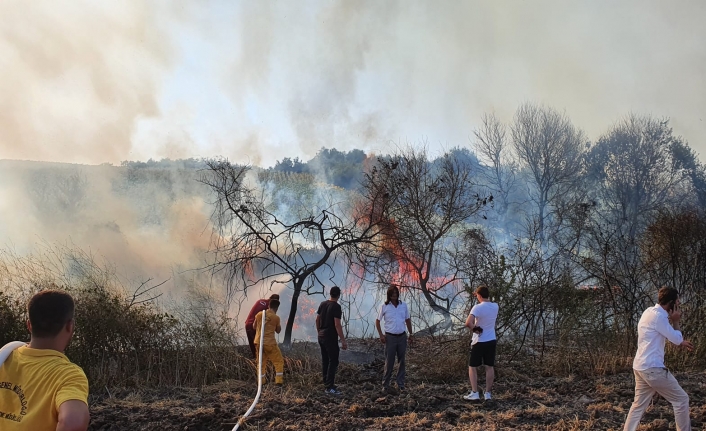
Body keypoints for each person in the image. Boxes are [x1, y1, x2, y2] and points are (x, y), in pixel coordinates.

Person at [0, 290, 90, 431]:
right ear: (70, 326)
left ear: (29, 325)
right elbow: (73, 423)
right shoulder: (69, 375)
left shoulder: (4, 357)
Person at [623, 287, 695, 431]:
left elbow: (667, 336)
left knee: (638, 405)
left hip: (640, 367)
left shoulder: (648, 312)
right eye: (677, 301)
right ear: (671, 303)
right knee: (681, 400)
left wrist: (680, 341)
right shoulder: (659, 317)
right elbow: (675, 338)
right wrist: (676, 321)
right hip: (653, 369)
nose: (679, 304)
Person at [463, 285, 498, 401]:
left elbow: (468, 323)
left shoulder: (477, 308)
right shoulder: (495, 306)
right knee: (489, 366)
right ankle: (488, 394)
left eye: (477, 295)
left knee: (472, 367)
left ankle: (475, 392)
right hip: (491, 340)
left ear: (479, 295)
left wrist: (475, 329)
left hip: (479, 341)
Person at [375, 284, 412, 392]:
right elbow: (377, 321)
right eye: (392, 295)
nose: (394, 297)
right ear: (389, 296)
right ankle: (385, 384)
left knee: (402, 361)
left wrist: (411, 334)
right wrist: (381, 335)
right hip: (390, 337)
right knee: (389, 361)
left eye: (396, 294)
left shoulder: (403, 305)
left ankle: (400, 384)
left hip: (402, 336)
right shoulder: (384, 306)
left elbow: (408, 320)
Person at [315, 286, 348, 395]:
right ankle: (330, 388)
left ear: (330, 294)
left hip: (321, 336)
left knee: (325, 360)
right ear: (339, 295)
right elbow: (337, 324)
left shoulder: (322, 304)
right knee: (333, 361)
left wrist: (319, 330)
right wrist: (343, 340)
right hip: (330, 337)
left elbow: (317, 319)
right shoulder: (336, 307)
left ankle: (327, 383)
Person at [252, 298, 284, 385]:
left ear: (269, 306)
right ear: (277, 308)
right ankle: (279, 381)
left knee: (261, 363)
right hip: (270, 343)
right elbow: (278, 331)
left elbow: (254, 327)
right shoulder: (276, 318)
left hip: (259, 342)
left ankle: (261, 382)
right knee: (279, 361)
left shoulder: (259, 314)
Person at [244, 293, 280, 358]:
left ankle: (255, 363)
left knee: (254, 349)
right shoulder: (268, 308)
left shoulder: (260, 301)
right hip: (254, 326)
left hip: (247, 324)